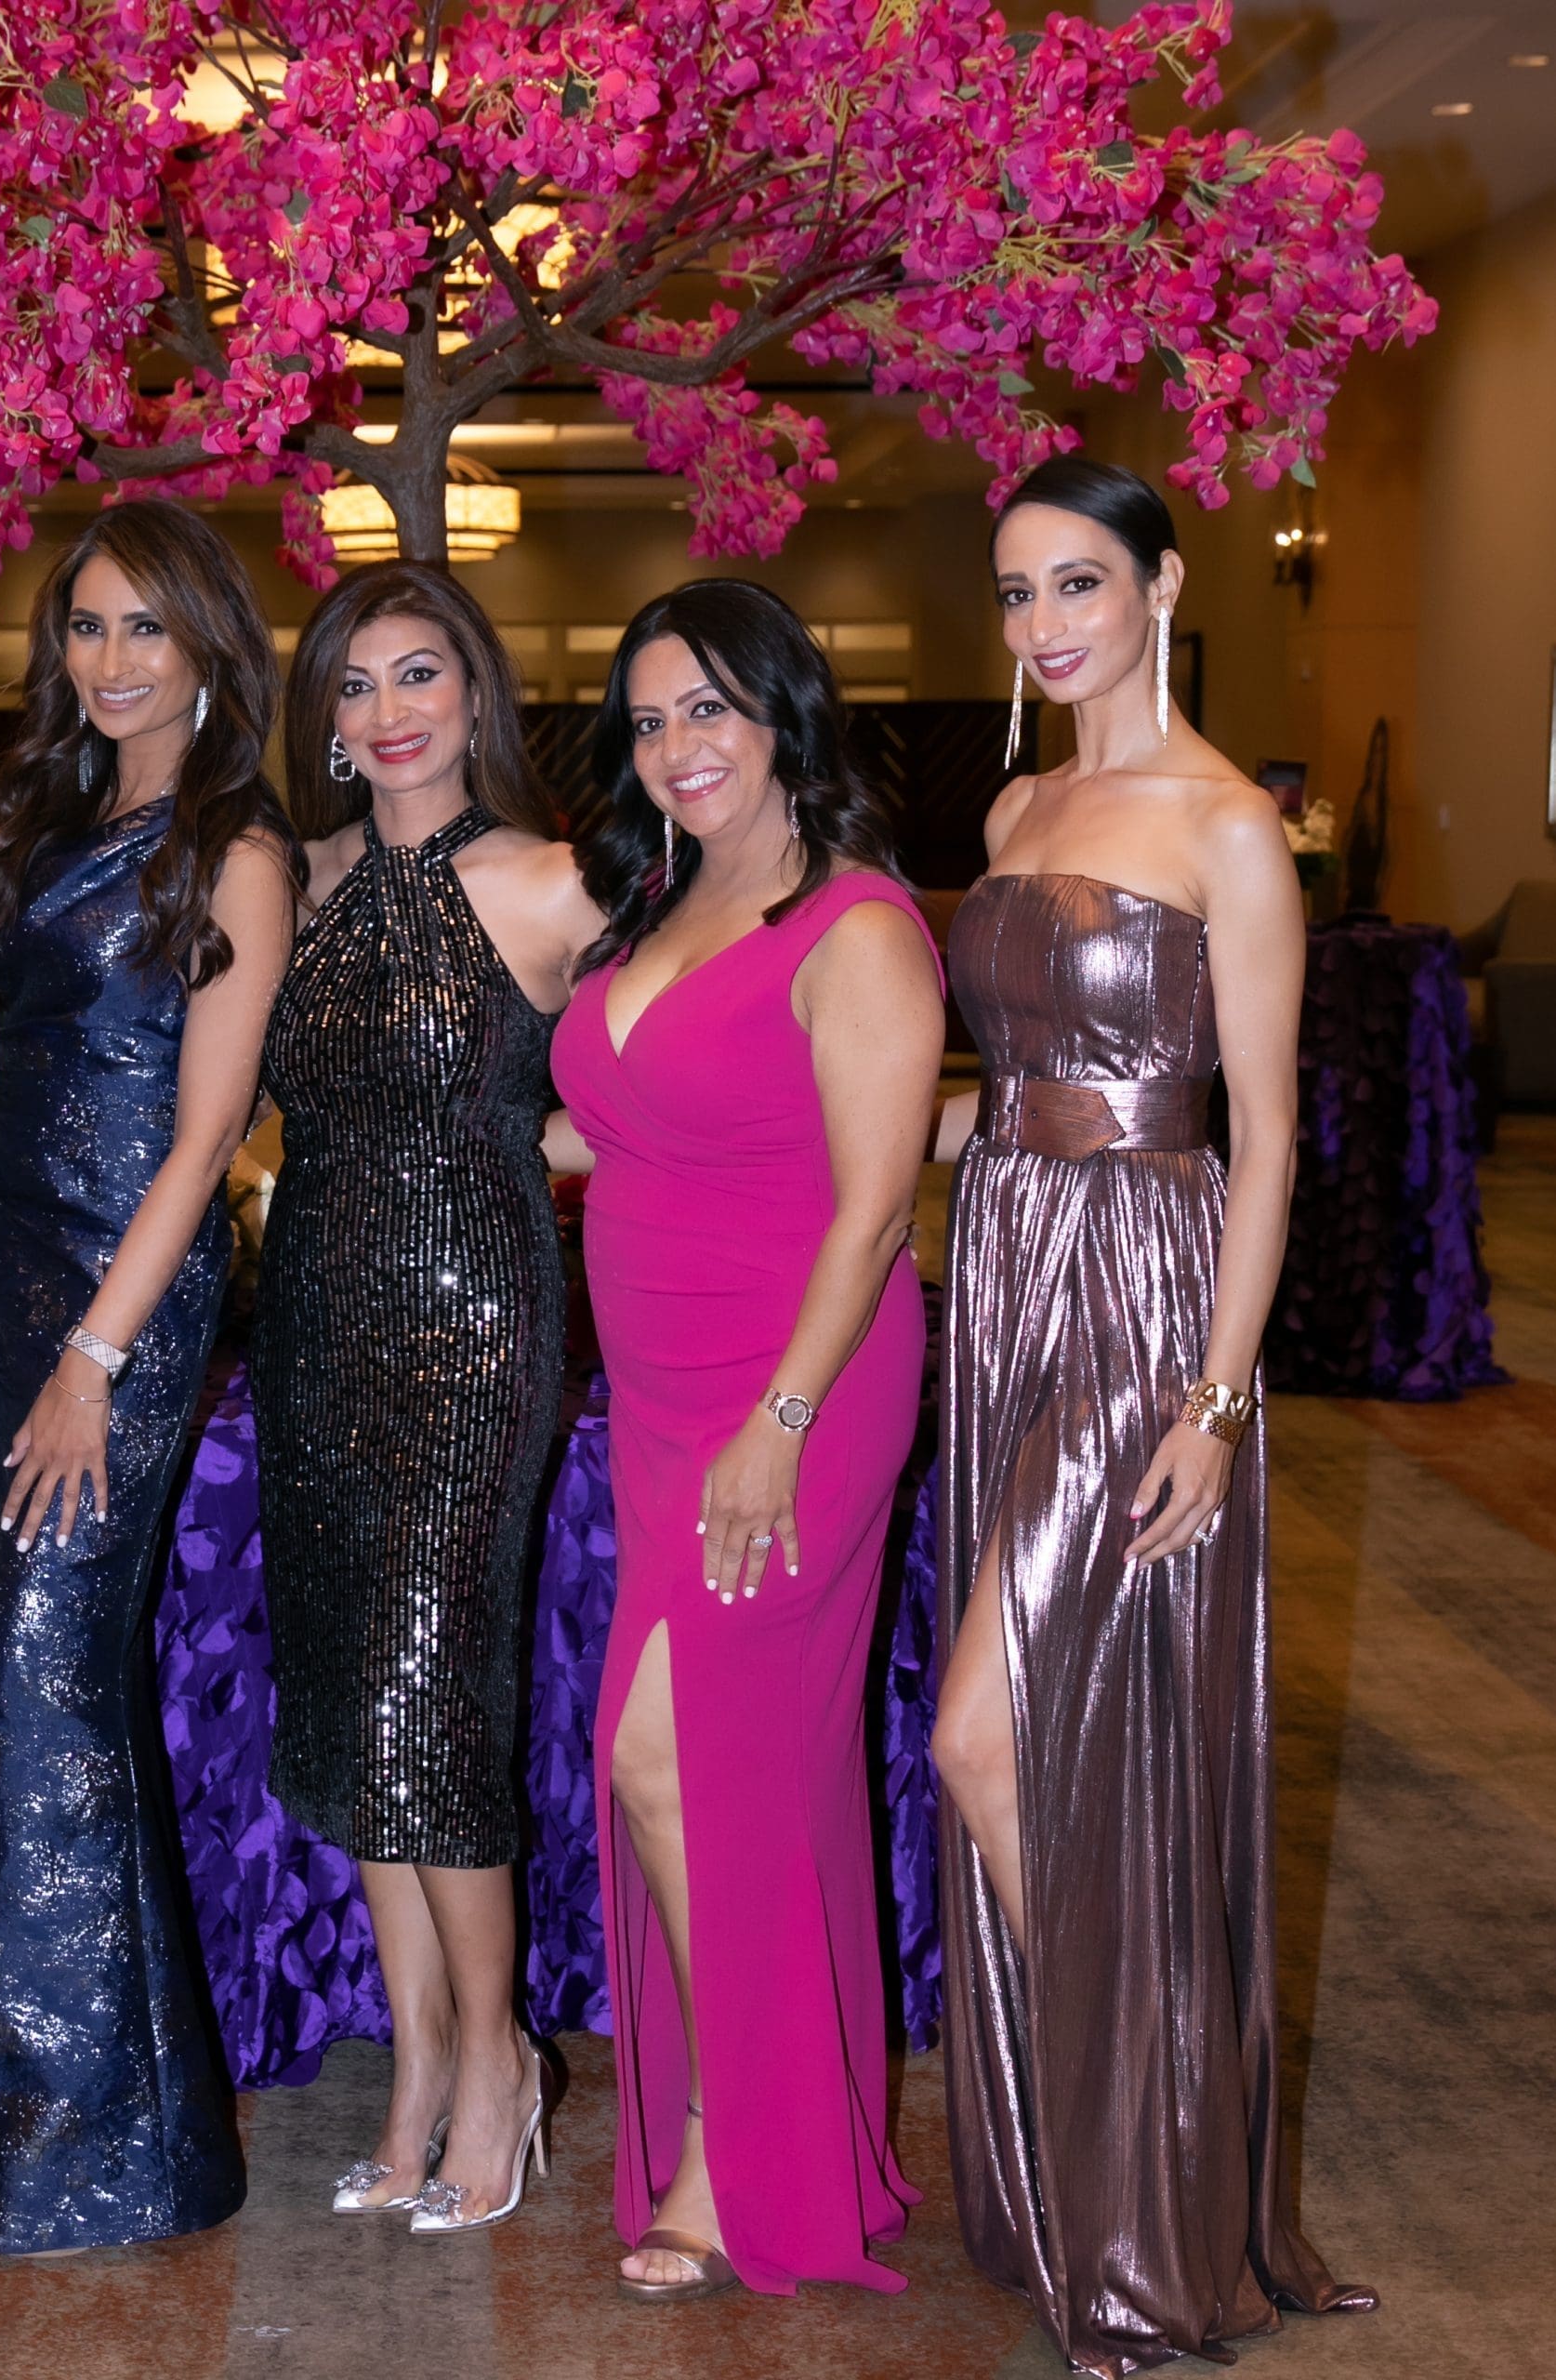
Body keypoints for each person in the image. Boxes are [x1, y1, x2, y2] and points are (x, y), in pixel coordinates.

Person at [929, 456, 1377, 2375]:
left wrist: (1214, 1394)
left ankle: (1142, 2158)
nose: (1041, 624)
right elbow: (1001, 1078)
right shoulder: (1014, 805)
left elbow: (1263, 1137)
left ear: (1162, 587)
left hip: (1141, 1298)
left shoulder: (1225, 826)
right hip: (1003, 1270)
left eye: (1077, 583)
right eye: (1017, 589)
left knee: (981, 1735)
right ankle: (1115, 2160)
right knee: (1055, 1738)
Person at [547, 579, 943, 2303]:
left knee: (665, 1752)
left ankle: (737, 2142)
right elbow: (618, 1125)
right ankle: (790, 2126)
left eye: (706, 707)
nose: (676, 747)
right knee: (722, 1763)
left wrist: (779, 1421)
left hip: (800, 1384)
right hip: (655, 1398)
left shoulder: (857, 926)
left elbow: (873, 1209)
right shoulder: (657, 903)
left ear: (783, 712)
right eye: (647, 721)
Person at [0, 502, 299, 2254]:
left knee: (45, 1676)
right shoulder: (60, 818)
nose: (113, 658)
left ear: (209, 644)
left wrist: (92, 1361)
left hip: (116, 1299)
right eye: (86, 625)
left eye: (148, 626)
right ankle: (54, 2129)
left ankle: (87, 2148)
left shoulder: (235, 849)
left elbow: (207, 1135)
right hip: (4, 1266)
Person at [253, 560, 604, 2234]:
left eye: (418, 675)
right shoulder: (293, 879)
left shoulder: (553, 881)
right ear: (324, 719)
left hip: (474, 1332)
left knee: (428, 1708)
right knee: (352, 1715)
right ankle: (414, 2073)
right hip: (311, 1325)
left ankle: (498, 2066)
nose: (387, 712)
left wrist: (515, 1147)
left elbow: (655, 1090)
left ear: (474, 693)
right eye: (354, 684)